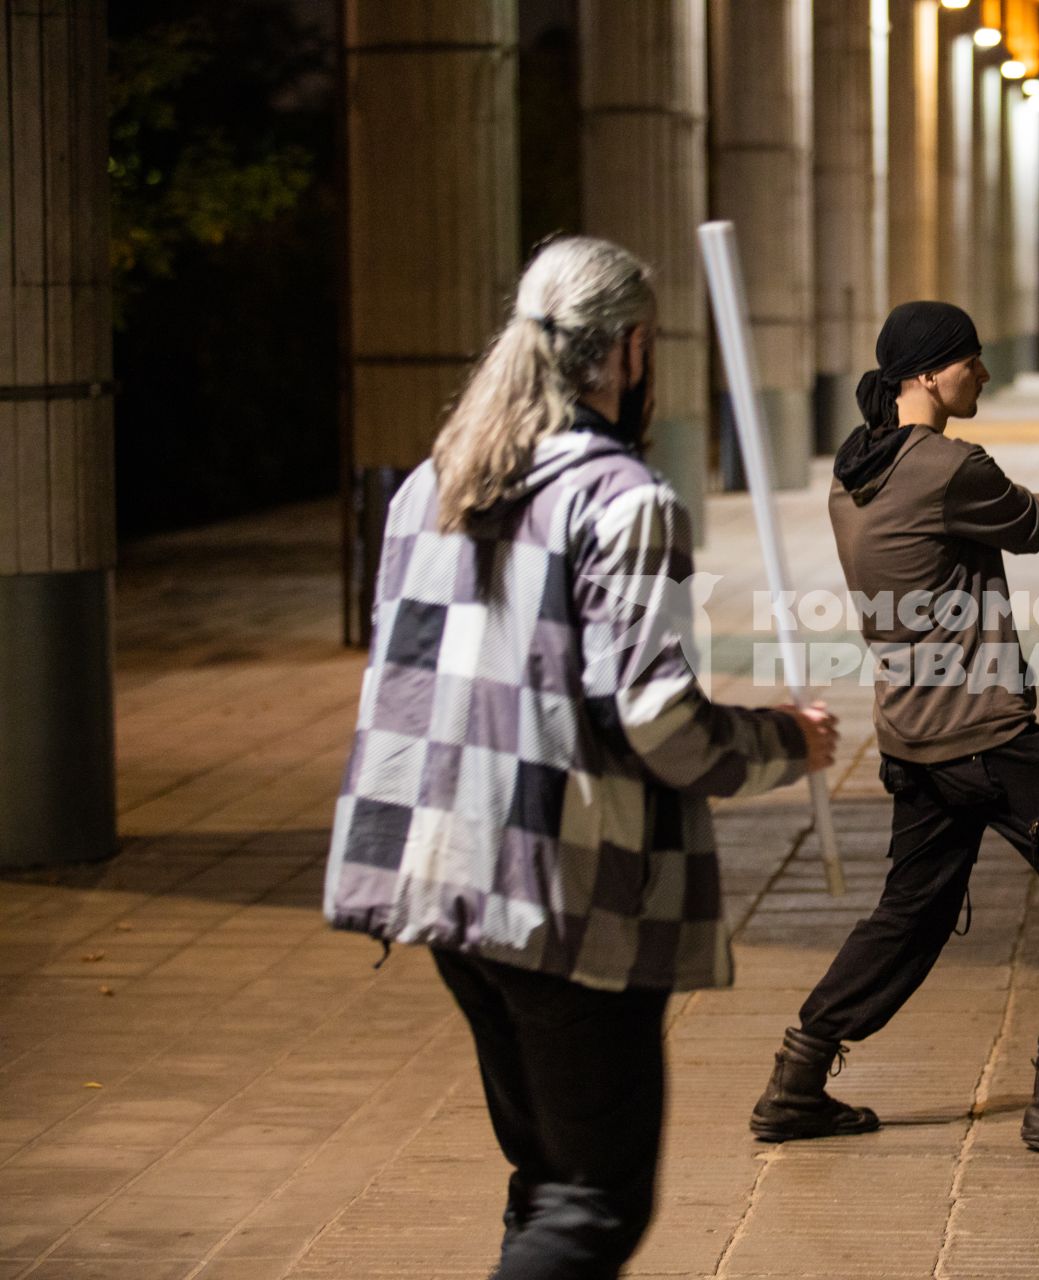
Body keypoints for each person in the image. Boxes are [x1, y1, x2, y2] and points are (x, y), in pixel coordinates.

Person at [323, 236, 837, 1277]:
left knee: (548, 1177)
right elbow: (657, 720)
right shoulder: (624, 500)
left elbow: (408, 670)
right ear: (632, 349)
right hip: (559, 887)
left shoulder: (433, 486)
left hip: (438, 867)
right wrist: (789, 739)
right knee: (595, 1198)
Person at [747, 300, 1039, 1155]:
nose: (980, 373)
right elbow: (1029, 522)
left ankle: (797, 1078)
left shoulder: (856, 469)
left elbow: (993, 509)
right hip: (989, 733)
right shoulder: (951, 463)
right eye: (969, 360)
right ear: (929, 373)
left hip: (913, 735)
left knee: (910, 916)